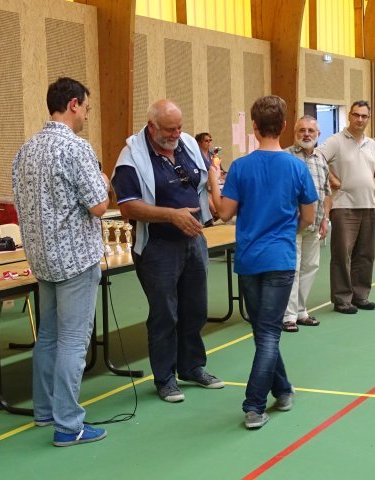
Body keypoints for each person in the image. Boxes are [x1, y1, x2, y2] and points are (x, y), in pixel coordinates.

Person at [209, 95, 317, 429]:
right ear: (284, 126)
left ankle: (275, 393)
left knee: (264, 331)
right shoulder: (297, 167)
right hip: (280, 259)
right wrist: (285, 232)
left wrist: (213, 178)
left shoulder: (241, 167)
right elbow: (308, 217)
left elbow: (223, 213)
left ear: (254, 127)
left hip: (249, 260)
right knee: (267, 332)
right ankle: (259, 404)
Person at [12, 77, 109, 447]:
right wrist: (103, 179)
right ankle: (68, 424)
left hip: (42, 259)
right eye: (86, 108)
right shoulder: (76, 148)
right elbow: (99, 205)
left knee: (49, 336)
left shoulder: (26, 150)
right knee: (72, 340)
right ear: (73, 105)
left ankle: (44, 410)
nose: (86, 115)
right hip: (75, 260)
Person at [112, 99, 224, 403]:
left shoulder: (187, 144)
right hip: (158, 246)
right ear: (152, 127)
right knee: (165, 314)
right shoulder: (131, 157)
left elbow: (201, 182)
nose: (176, 134)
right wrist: (171, 215)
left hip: (193, 240)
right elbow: (127, 207)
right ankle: (165, 378)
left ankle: (192, 367)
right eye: (169, 130)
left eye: (179, 128)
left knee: (196, 308)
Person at [316, 100, 375, 314]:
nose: (360, 119)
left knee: (365, 254)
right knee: (342, 255)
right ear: (350, 116)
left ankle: (360, 296)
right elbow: (317, 157)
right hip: (344, 207)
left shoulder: (371, 144)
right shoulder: (336, 141)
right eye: (356, 115)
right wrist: (332, 178)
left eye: (364, 116)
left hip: (368, 206)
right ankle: (342, 299)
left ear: (368, 119)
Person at [282, 115, 332, 333]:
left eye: (311, 131)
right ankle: (288, 316)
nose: (306, 134)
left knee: (310, 267)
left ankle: (301, 311)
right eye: (302, 130)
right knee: (292, 269)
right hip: (293, 224)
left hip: (315, 223)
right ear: (295, 133)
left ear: (318, 134)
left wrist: (325, 219)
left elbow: (327, 192)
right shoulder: (285, 157)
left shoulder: (321, 159)